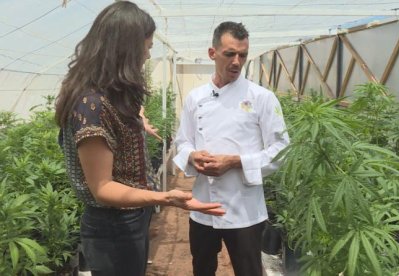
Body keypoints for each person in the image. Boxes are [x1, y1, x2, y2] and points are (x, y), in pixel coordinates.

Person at [54, 2, 224, 276]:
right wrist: (166, 197)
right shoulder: (90, 105)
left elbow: (117, 118)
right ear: (124, 49)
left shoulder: (108, 94)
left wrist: (139, 121)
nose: (147, 54)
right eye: (146, 46)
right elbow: (103, 188)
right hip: (113, 227)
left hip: (129, 218)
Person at [173, 21, 290, 276]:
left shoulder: (261, 97)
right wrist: (192, 155)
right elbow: (182, 141)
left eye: (243, 55)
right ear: (212, 53)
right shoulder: (195, 98)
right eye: (230, 54)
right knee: (202, 268)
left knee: (248, 270)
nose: (237, 61)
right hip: (203, 204)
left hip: (244, 209)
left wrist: (236, 161)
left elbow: (281, 148)